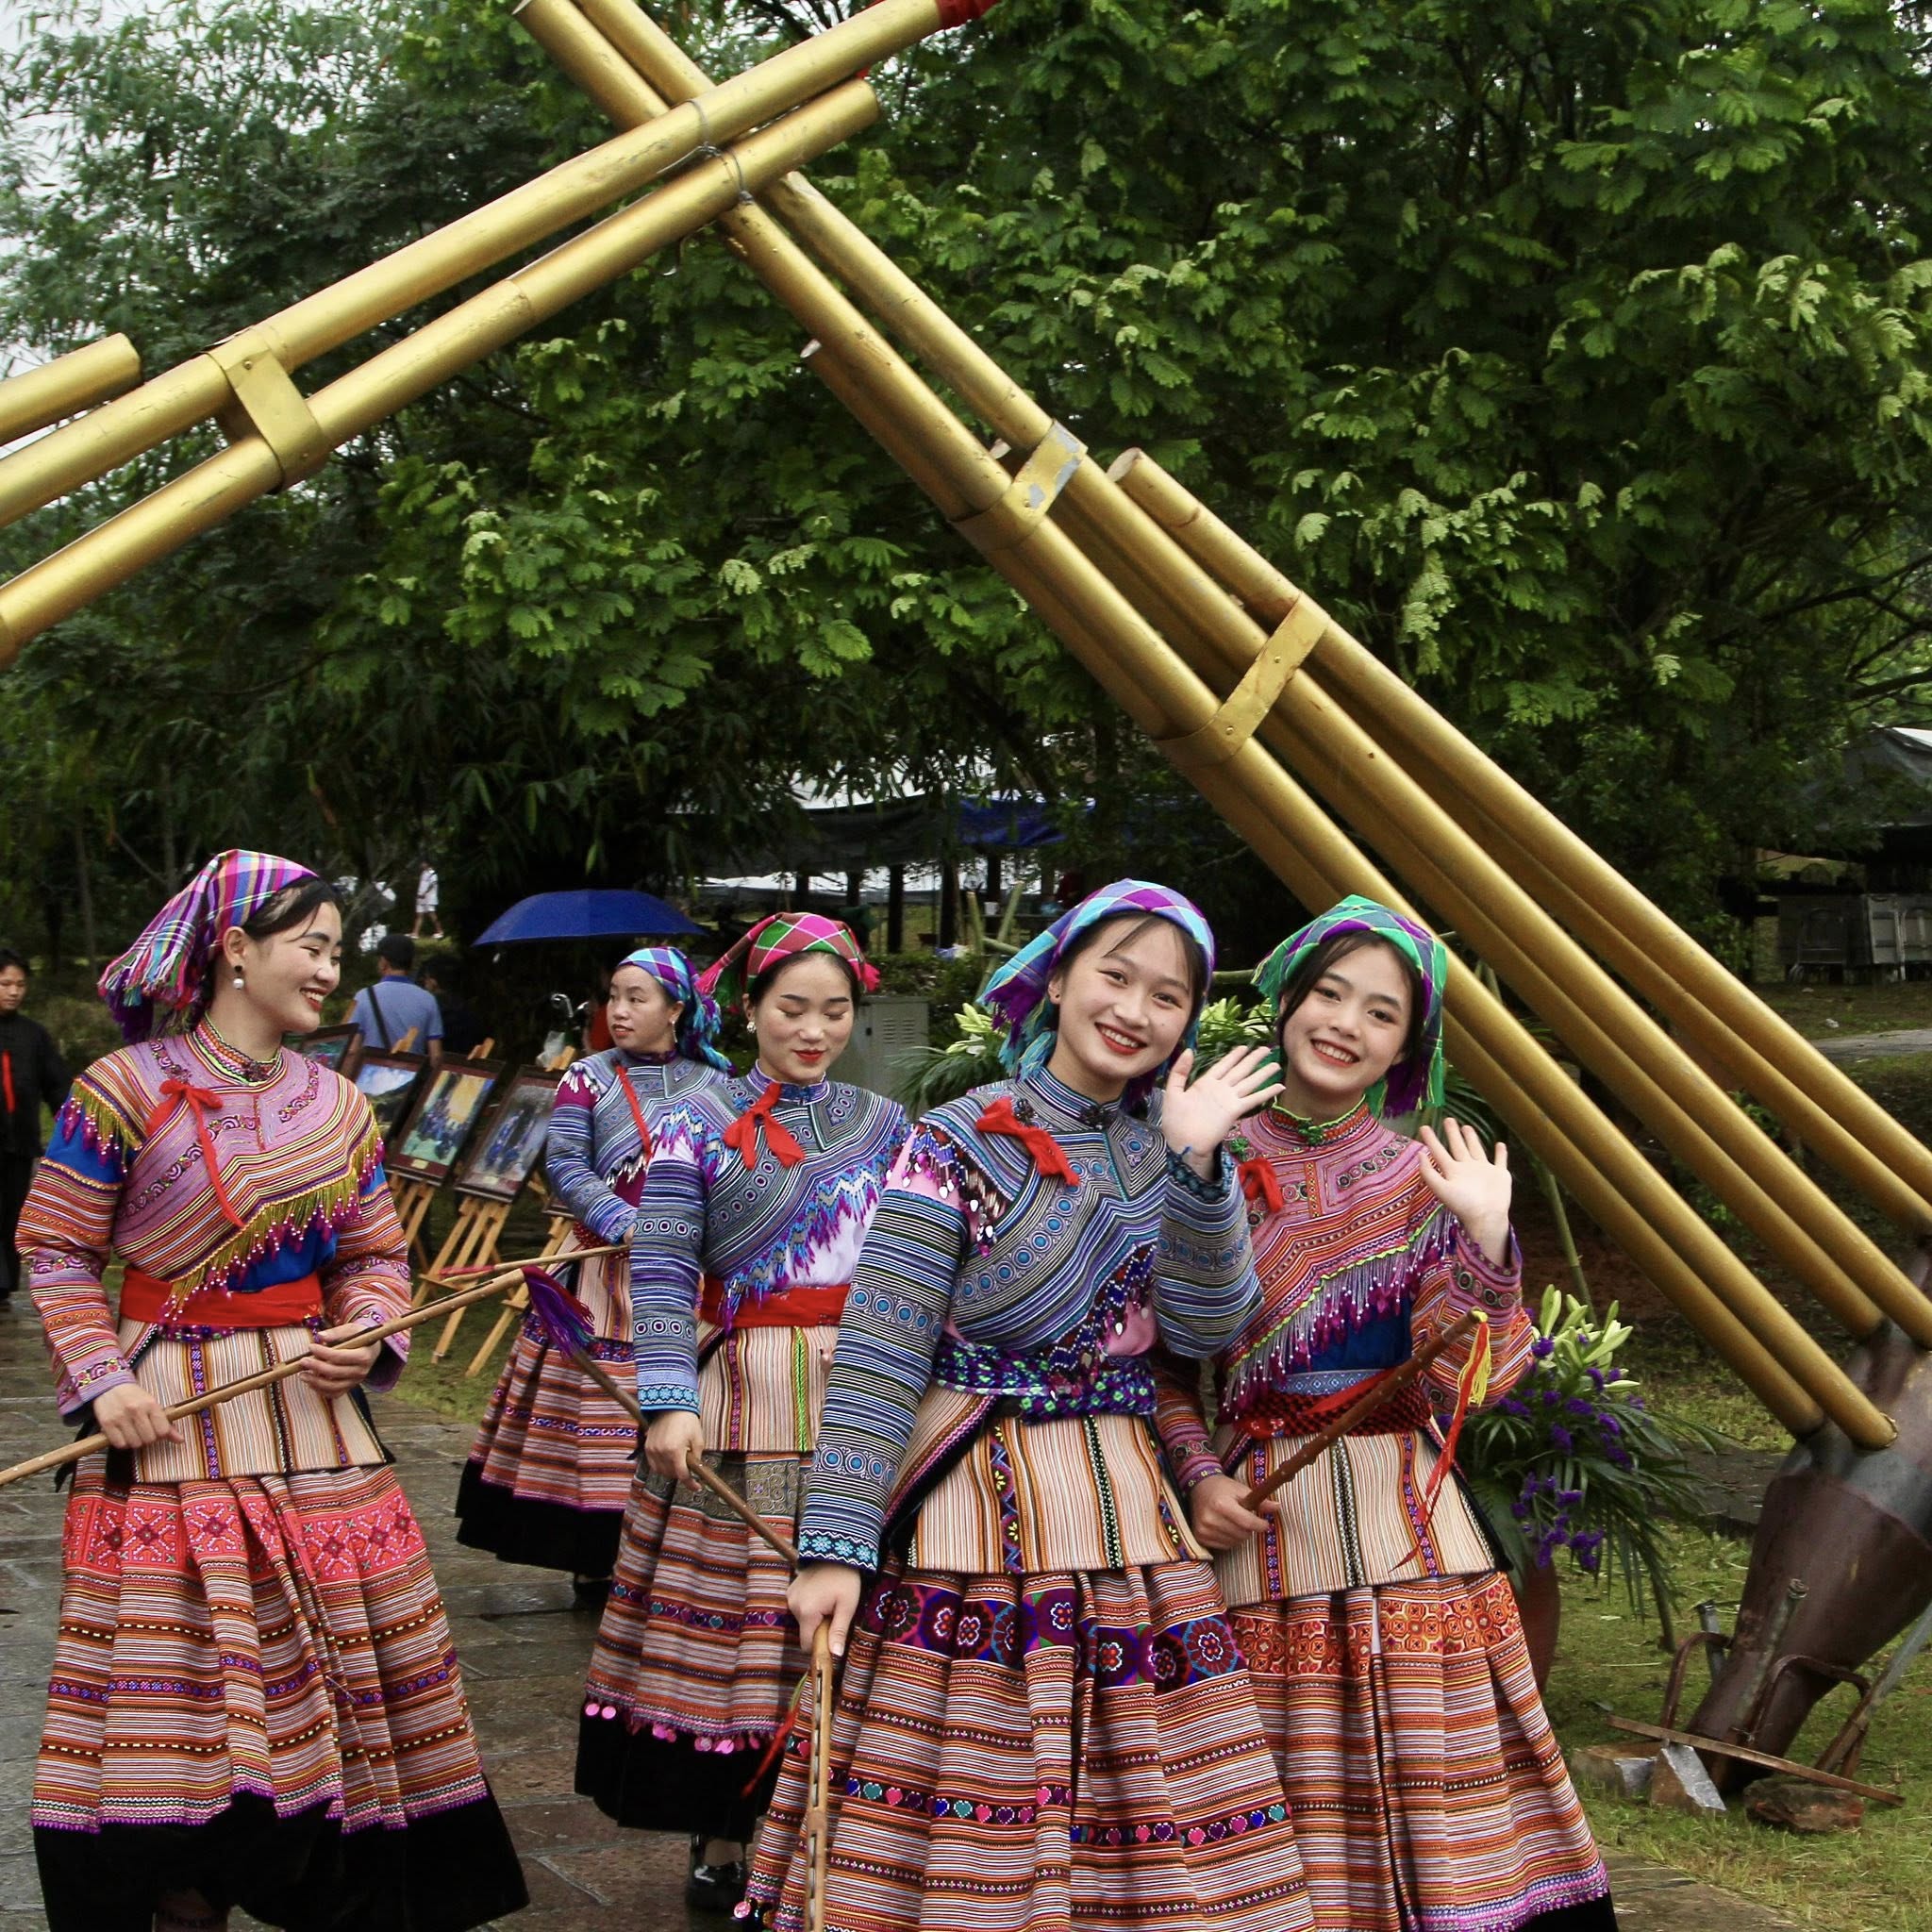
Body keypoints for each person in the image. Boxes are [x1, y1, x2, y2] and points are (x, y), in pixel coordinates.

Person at [745, 881, 1315, 1932]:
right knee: (966, 1765)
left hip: (1125, 1508)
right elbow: (882, 1343)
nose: (1134, 1010)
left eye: (1167, 994)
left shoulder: (1178, 1142)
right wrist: (831, 1543)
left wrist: (1193, 1166)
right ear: (1055, 978)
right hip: (970, 1495)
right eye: (1112, 975)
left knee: (1144, 1772)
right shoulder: (954, 1139)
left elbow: (1204, 1322)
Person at [16, 851, 526, 1932]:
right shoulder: (124, 1086)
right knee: (182, 1678)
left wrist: (369, 1324)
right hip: (165, 1418)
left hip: (312, 1412)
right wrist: (104, 1378)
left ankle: (320, 1870)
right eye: (311, 945)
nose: (329, 970)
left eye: (338, 950)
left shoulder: (340, 1104)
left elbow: (377, 1255)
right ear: (235, 950)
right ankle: (180, 1887)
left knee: (346, 1665)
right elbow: (55, 1245)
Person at [1160, 896, 1613, 1931]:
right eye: (1327, 993)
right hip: (1253, 1527)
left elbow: (1466, 1382)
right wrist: (1199, 1475)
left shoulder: (1426, 1177)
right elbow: (1163, 1367)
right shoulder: (1206, 1148)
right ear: (1283, 1000)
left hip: (1407, 1530)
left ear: (1408, 1047)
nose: (1343, 1023)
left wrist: (1487, 1243)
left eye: (1379, 1012)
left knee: (1438, 1806)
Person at [575, 913, 908, 1913]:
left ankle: (839, 1820)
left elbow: (909, 1268)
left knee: (855, 1603)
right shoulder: (693, 1116)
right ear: (749, 1007)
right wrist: (667, 1397)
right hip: (744, 1397)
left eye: (835, 1009)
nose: (813, 1028)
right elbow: (666, 1263)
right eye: (791, 1007)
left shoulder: (886, 1125)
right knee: (746, 1611)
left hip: (856, 1399)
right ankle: (723, 1825)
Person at [457, 946, 729, 1588]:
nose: (621, 1010)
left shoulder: (720, 1085)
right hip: (607, 1278)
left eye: (638, 998)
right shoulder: (589, 1077)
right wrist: (624, 1222)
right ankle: (598, 1558)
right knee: (599, 1421)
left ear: (676, 1008)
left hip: (690, 1279)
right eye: (615, 996)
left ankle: (674, 1543)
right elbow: (568, 1166)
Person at [0, 948, 69, 1302]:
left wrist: (72, 1124)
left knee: (11, 1211)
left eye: (19, 984)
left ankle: (4, 1285)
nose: (13, 991)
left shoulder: (33, 1035)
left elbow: (55, 1084)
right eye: (5, 984)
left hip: (19, 1141)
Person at [349, 933, 442, 1069]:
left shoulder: (363, 997)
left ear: (383, 962)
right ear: (410, 963)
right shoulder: (428, 999)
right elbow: (436, 1056)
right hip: (410, 1080)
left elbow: (352, 1050)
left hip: (369, 1080)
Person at [420, 953, 484, 1057]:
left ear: (434, 981)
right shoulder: (471, 1011)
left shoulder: (430, 1008)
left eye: (426, 977)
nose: (424, 982)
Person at [411, 864, 443, 941]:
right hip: (420, 897)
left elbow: (432, 884)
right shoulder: (423, 873)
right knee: (419, 915)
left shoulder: (433, 873)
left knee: (432, 914)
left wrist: (425, 893)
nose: (422, 865)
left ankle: (440, 931)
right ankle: (415, 933)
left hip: (429, 898)